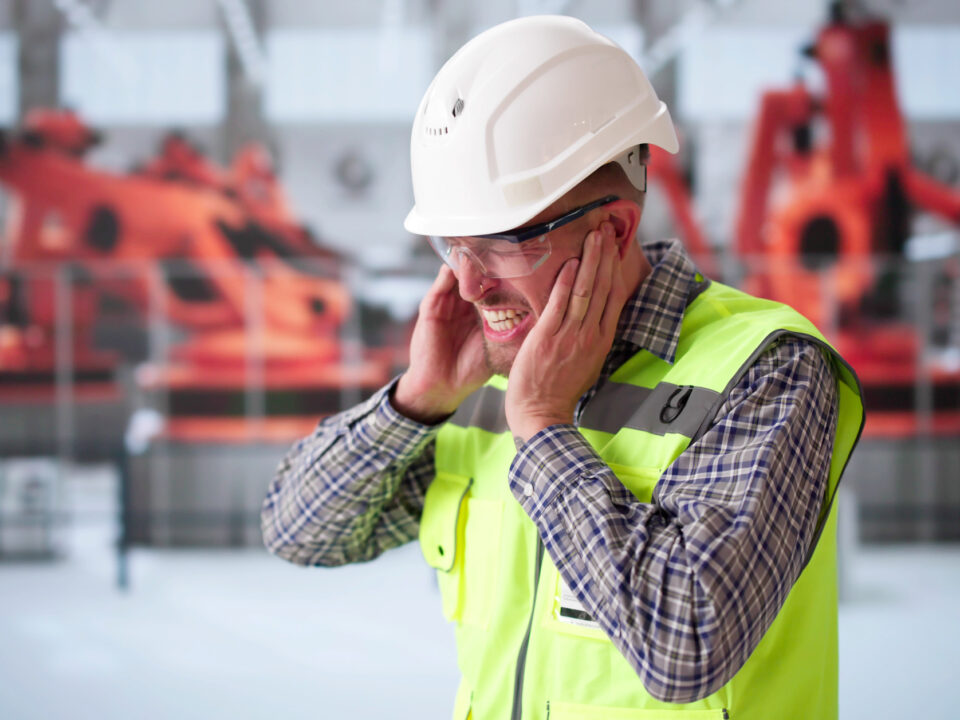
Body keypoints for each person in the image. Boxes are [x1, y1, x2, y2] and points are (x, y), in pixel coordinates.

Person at [262, 15, 864, 720]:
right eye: (453, 247)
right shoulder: (476, 386)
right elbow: (300, 531)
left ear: (614, 229)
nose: (470, 286)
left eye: (501, 244)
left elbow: (689, 644)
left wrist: (545, 427)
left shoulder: (765, 370)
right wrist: (416, 400)